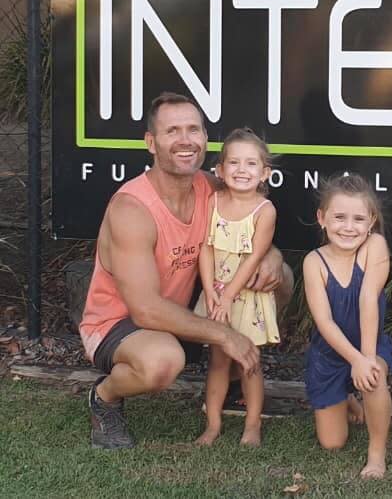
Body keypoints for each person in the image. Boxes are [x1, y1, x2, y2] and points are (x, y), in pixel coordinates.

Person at [80, 92, 293, 450]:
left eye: (193, 130)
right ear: (151, 142)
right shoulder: (132, 208)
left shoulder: (209, 188)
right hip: (121, 322)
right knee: (163, 361)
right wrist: (226, 336)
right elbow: (145, 308)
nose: (185, 140)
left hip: (182, 312)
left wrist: (271, 254)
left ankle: (235, 377)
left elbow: (248, 230)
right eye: (172, 131)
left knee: (280, 277)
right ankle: (104, 397)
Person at [302, 173, 392, 479]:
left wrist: (365, 359)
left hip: (368, 343)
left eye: (358, 218)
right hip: (329, 354)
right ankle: (348, 398)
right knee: (332, 443)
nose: (348, 226)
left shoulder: (375, 246)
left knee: (374, 375)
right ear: (322, 218)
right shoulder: (314, 262)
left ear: (371, 222)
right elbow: (324, 321)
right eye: (339, 217)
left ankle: (377, 454)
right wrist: (353, 359)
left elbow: (368, 298)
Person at [195, 128, 280, 447]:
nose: (242, 170)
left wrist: (229, 295)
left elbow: (256, 256)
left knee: (249, 362)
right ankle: (213, 424)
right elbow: (205, 247)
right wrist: (212, 292)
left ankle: (252, 425)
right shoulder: (212, 201)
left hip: (246, 299)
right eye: (233, 163)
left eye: (251, 164)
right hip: (216, 297)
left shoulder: (264, 211)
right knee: (217, 362)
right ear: (219, 170)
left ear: (264, 173)